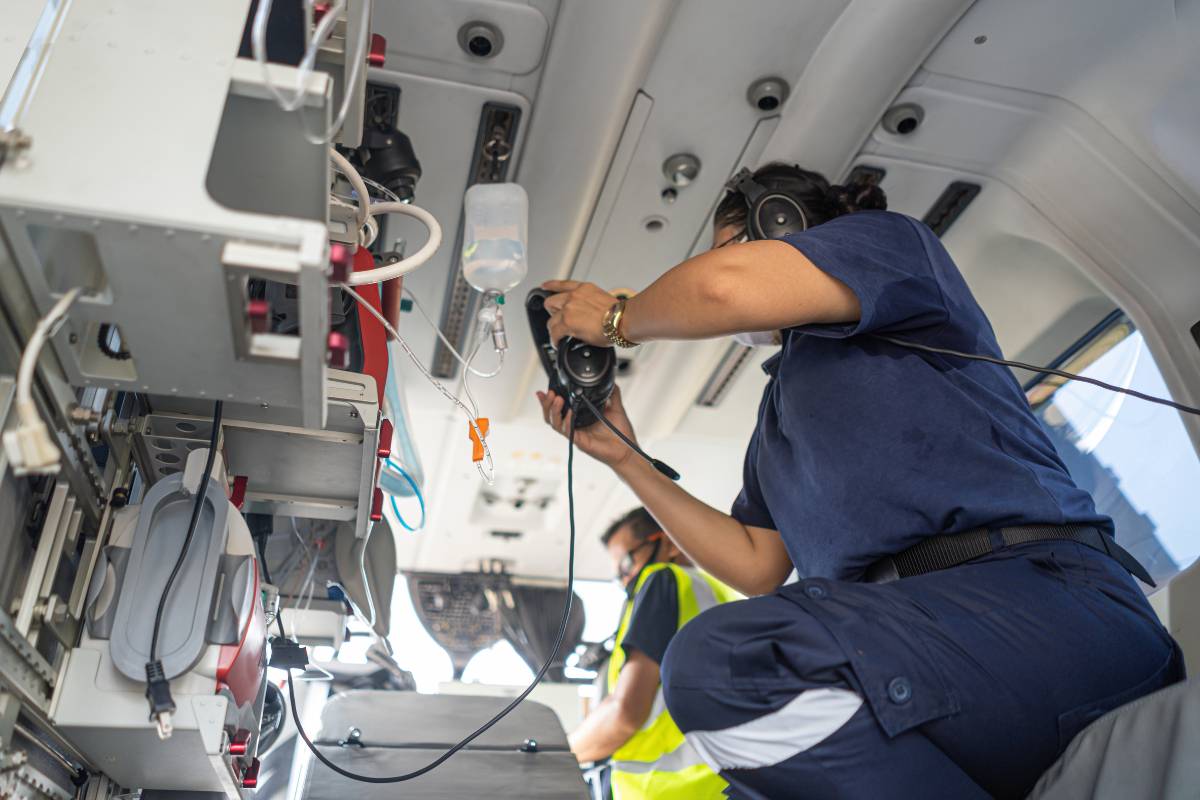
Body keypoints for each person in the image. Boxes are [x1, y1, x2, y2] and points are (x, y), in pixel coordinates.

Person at [536, 163, 1184, 799]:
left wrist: (618, 317)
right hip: (920, 647)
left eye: (724, 249)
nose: (708, 268)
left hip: (1040, 609)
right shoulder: (778, 416)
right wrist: (625, 457)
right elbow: (756, 564)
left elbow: (722, 289)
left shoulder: (893, 248)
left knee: (734, 665)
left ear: (781, 224)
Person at [569, 507, 738, 799]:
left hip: (668, 791)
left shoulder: (662, 580)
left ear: (669, 543)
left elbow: (624, 714)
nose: (624, 578)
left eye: (626, 562)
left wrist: (559, 751)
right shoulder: (720, 593)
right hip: (720, 783)